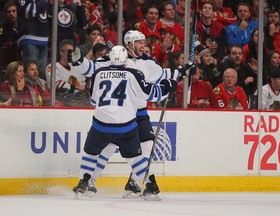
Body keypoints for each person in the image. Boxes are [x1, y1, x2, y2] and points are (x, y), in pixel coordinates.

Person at [68, 30, 192, 199]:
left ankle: (133, 183)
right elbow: (88, 67)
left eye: (144, 42)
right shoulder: (111, 62)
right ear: (129, 44)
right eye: (140, 42)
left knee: (147, 146)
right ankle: (92, 181)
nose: (144, 45)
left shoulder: (147, 63)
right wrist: (78, 62)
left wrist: (182, 70)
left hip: (137, 114)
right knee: (110, 149)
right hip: (126, 116)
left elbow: (165, 74)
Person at [46, 39, 90, 107]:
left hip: (79, 98)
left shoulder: (77, 68)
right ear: (61, 52)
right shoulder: (52, 66)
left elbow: (83, 84)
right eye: (69, 51)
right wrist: (75, 87)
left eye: (73, 51)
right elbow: (55, 84)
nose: (71, 54)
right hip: (61, 100)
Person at [16, 0, 54, 80]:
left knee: (42, 73)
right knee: (31, 71)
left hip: (44, 41)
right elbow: (28, 10)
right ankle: (29, 91)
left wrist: (51, 4)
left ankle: (39, 91)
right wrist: (46, 2)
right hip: (29, 39)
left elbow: (51, 14)